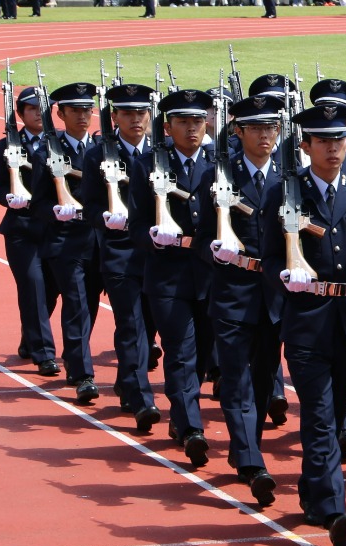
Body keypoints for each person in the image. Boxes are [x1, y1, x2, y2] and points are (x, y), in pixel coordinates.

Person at [265, 99, 346, 546]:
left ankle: (312, 491)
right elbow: (269, 256)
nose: (333, 147)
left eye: (340, 139)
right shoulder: (284, 192)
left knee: (336, 411)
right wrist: (285, 275)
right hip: (307, 319)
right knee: (320, 415)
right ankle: (333, 507)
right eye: (323, 140)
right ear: (305, 145)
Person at [196, 95, 287, 507]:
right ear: (238, 132)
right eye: (256, 128)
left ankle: (246, 446)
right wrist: (214, 251)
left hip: (274, 294)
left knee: (265, 379)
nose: (265, 135)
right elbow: (201, 237)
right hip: (233, 290)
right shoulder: (219, 176)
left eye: (271, 128)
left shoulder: (289, 178)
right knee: (236, 378)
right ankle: (252, 461)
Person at [127, 88, 216, 468]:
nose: (192, 128)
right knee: (180, 351)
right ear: (167, 127)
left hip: (210, 275)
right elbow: (134, 224)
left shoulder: (218, 163)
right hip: (167, 274)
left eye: (198, 120)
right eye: (183, 121)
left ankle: (180, 417)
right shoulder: (147, 165)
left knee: (204, 355)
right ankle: (192, 426)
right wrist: (152, 236)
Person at [78, 83, 161, 433]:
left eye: (141, 112)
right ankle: (141, 397)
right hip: (120, 252)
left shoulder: (160, 153)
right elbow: (89, 205)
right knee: (131, 324)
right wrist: (104, 218)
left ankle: (128, 380)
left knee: (150, 326)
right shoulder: (98, 155)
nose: (136, 119)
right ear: (114, 117)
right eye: (127, 113)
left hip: (157, 254)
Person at [30, 82, 103, 405]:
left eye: (87, 109)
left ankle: (75, 358)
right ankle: (83, 373)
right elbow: (38, 203)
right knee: (76, 304)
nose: (83, 116)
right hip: (65, 240)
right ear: (60, 114)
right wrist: (55, 211)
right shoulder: (47, 152)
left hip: (99, 241)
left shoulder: (102, 149)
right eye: (75, 110)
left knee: (90, 304)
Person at [0, 85, 60, 378]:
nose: (39, 114)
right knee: (33, 287)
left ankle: (30, 337)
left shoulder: (60, 143)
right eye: (32, 109)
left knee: (52, 290)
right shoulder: (7, 144)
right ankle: (44, 354)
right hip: (22, 228)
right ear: (20, 114)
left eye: (43, 109)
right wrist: (9, 197)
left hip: (56, 228)